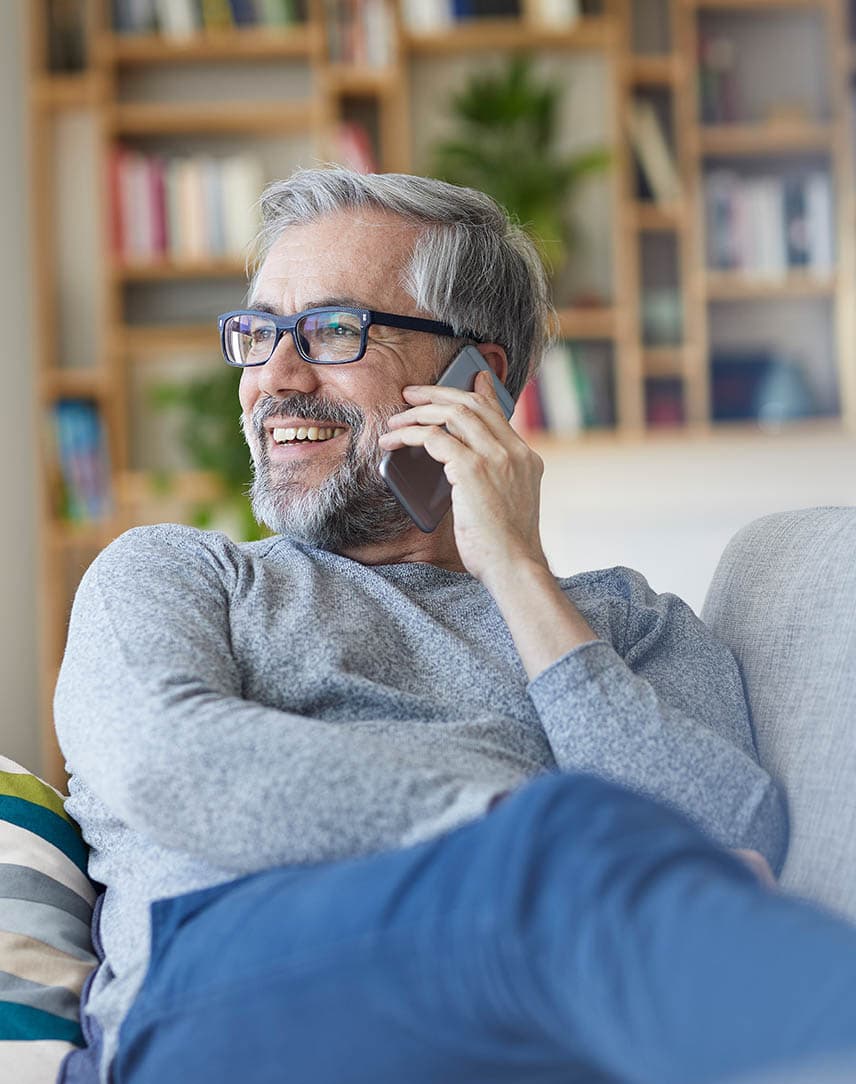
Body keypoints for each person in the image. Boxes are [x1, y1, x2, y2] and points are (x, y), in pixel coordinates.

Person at [53, 169, 856, 1084]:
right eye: (258, 333)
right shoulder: (179, 573)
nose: (274, 377)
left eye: (331, 330)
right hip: (220, 996)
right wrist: (526, 827)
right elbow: (167, 764)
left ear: (475, 382)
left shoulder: (620, 625)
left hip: (530, 1015)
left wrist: (516, 573)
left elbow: (727, 849)